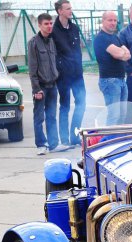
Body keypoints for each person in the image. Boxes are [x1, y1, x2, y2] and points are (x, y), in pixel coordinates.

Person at [28, 13, 68, 155]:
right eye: (46, 24)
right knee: (39, 117)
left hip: (53, 85)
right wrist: (36, 89)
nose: (49, 26)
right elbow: (32, 68)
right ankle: (41, 145)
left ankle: (53, 144)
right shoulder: (33, 42)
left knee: (52, 116)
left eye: (51, 23)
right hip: (41, 87)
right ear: (39, 25)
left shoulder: (52, 41)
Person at [52, 0, 86, 147]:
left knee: (81, 103)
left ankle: (74, 136)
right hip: (63, 74)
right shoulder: (54, 31)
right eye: (67, 8)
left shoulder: (74, 28)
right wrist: (59, 69)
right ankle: (64, 139)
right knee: (65, 106)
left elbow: (78, 49)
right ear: (60, 11)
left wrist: (79, 65)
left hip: (77, 73)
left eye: (70, 8)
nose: (70, 11)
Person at [94, 11, 130, 126]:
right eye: (110, 20)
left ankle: (119, 139)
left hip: (121, 80)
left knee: (123, 115)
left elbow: (128, 54)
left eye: (115, 20)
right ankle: (109, 140)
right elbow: (120, 54)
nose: (113, 23)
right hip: (110, 81)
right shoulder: (101, 38)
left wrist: (121, 53)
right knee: (114, 115)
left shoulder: (115, 37)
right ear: (103, 21)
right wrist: (121, 53)